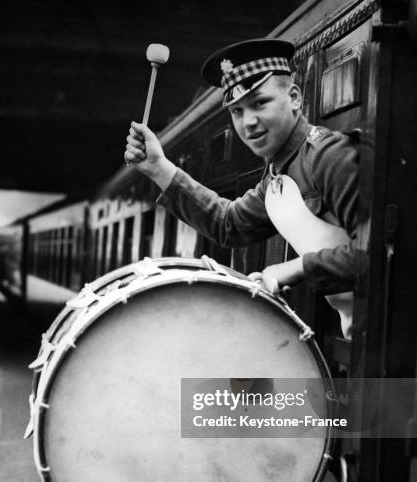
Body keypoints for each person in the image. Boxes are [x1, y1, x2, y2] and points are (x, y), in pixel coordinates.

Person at [124, 38, 360, 338]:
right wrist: (158, 167)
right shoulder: (277, 175)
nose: (249, 122)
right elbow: (228, 224)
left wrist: (294, 268)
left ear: (295, 98)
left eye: (260, 103)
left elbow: (377, 254)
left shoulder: (328, 156)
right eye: (237, 111)